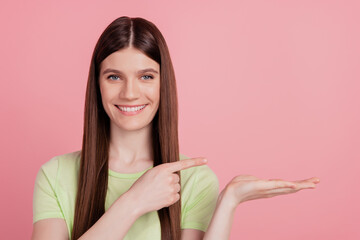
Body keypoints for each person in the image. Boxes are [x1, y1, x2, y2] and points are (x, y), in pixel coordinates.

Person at [31, 16, 320, 240]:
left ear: (163, 83)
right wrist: (134, 201)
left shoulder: (194, 180)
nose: (130, 93)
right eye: (114, 77)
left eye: (146, 76)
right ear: (97, 85)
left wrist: (229, 201)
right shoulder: (56, 175)